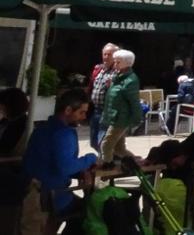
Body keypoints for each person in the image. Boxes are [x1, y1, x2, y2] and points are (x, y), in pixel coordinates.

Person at [23, 89, 97, 233]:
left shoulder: (41, 129)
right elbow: (65, 167)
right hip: (50, 195)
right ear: (68, 110)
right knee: (91, 211)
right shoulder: (63, 134)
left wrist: (80, 171)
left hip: (31, 191)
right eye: (81, 112)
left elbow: (52, 163)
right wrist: (91, 158)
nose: (84, 117)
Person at [100, 49, 143, 167]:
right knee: (119, 148)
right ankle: (138, 163)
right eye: (115, 61)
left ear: (127, 63)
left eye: (118, 62)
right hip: (116, 116)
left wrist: (137, 118)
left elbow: (134, 101)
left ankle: (107, 166)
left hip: (121, 118)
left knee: (106, 144)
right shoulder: (119, 77)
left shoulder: (130, 80)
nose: (115, 64)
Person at [87, 42, 119, 151]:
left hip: (108, 112)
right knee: (93, 142)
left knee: (102, 142)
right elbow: (91, 86)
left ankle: (106, 163)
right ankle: (109, 160)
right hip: (95, 111)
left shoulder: (119, 71)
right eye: (104, 54)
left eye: (109, 54)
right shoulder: (98, 69)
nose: (106, 57)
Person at [0, 86, 30, 156]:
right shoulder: (7, 120)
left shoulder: (20, 124)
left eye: (2, 105)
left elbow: (4, 148)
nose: (0, 108)